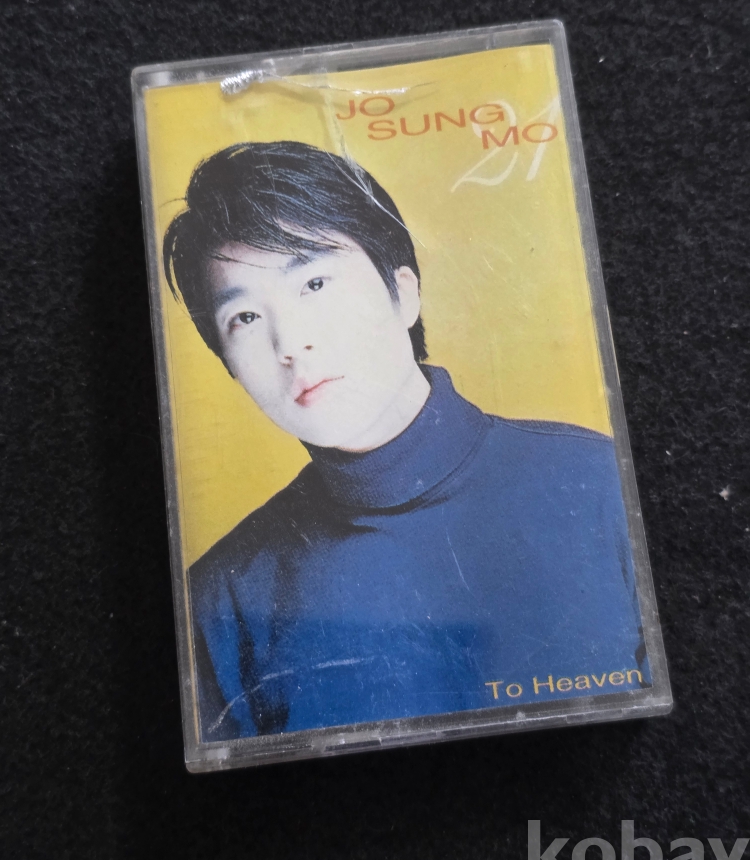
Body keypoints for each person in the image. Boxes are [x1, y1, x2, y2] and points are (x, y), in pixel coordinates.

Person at [163, 140, 648, 741]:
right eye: (245, 318)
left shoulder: (599, 481)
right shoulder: (220, 596)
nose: (289, 343)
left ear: (405, 293)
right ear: (229, 365)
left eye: (314, 283)